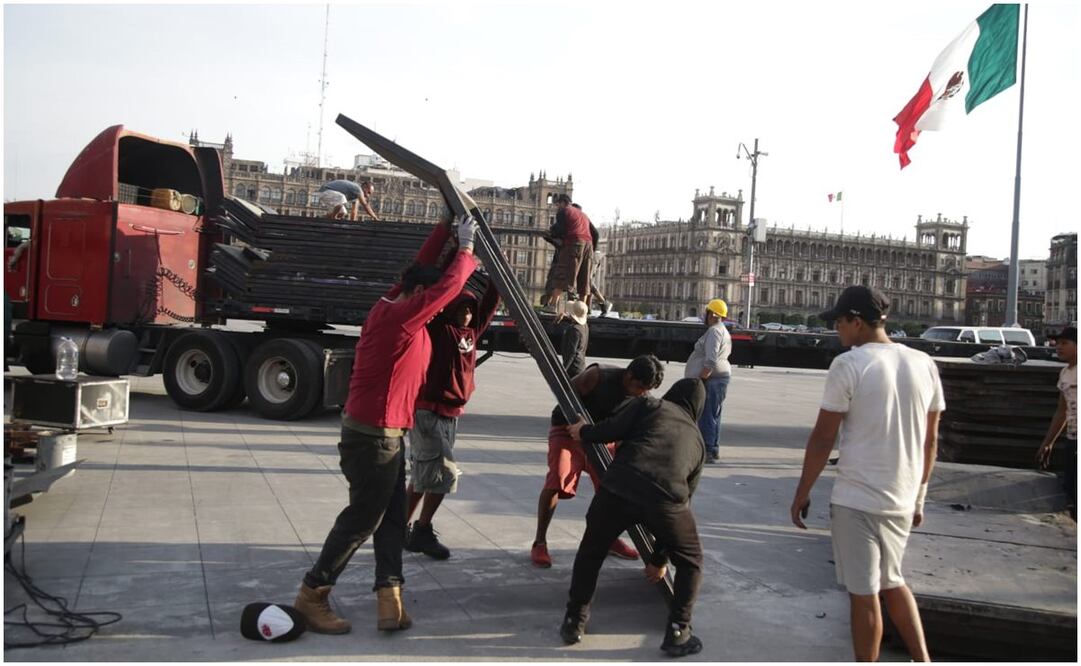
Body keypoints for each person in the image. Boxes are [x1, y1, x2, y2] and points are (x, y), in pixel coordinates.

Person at [293, 214, 478, 635]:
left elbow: (421, 265)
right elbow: (443, 287)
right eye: (427, 299)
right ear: (417, 293)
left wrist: (446, 230)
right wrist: (465, 251)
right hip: (371, 437)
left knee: (393, 519)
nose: (435, 309)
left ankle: (389, 601)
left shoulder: (393, 303)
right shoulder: (401, 317)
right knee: (362, 520)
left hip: (387, 435)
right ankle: (311, 594)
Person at [789, 285, 944, 662]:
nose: (837, 330)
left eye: (839, 322)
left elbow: (824, 438)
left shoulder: (850, 364)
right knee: (893, 582)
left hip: (858, 500)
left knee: (864, 594)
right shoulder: (924, 362)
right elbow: (931, 441)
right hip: (902, 499)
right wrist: (919, 497)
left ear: (856, 322)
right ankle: (923, 660)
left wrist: (802, 493)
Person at [563, 378, 707, 657]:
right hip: (665, 500)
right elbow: (685, 499)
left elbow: (611, 430)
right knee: (692, 562)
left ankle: (574, 621)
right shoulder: (698, 441)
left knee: (592, 552)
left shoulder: (650, 405)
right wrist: (659, 559)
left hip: (618, 488)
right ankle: (678, 632)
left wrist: (584, 431)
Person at [531, 355, 666, 568]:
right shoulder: (597, 376)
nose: (642, 393)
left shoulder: (641, 395)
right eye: (640, 387)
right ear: (629, 375)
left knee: (613, 490)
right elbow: (565, 399)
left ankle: (610, 538)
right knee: (557, 479)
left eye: (647, 389)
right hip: (568, 431)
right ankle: (540, 542)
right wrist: (579, 426)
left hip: (601, 436)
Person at [404, 281, 501, 559]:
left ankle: (399, 530)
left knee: (423, 478)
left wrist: (496, 277)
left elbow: (490, 305)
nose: (467, 314)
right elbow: (433, 297)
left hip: (451, 415)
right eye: (462, 309)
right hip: (428, 411)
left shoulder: (472, 332)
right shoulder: (438, 329)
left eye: (471, 310)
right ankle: (420, 530)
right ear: (451, 309)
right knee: (443, 475)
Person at [684, 299, 731, 464]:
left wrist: (701, 381)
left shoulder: (714, 332)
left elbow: (710, 360)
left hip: (712, 379)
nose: (705, 315)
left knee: (707, 416)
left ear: (712, 314)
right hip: (719, 378)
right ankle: (713, 448)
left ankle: (708, 450)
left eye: (707, 311)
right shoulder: (722, 330)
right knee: (714, 415)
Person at [1037, 325, 1077, 516]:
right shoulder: (1065, 374)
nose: (1058, 347)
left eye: (1064, 343)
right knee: (1070, 489)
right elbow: (1062, 411)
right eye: (1057, 343)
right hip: (1072, 439)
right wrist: (1048, 442)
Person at [541, 194, 592, 312]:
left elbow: (560, 230)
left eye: (557, 204)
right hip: (588, 245)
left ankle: (553, 305)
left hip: (574, 243)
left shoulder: (564, 211)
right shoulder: (583, 214)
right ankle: (581, 311)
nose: (556, 207)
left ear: (563, 203)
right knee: (583, 277)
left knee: (562, 272)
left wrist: (551, 232)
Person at [560, 300, 590, 378]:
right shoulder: (584, 326)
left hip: (573, 369)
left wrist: (563, 369)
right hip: (581, 366)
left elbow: (571, 352)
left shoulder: (574, 330)